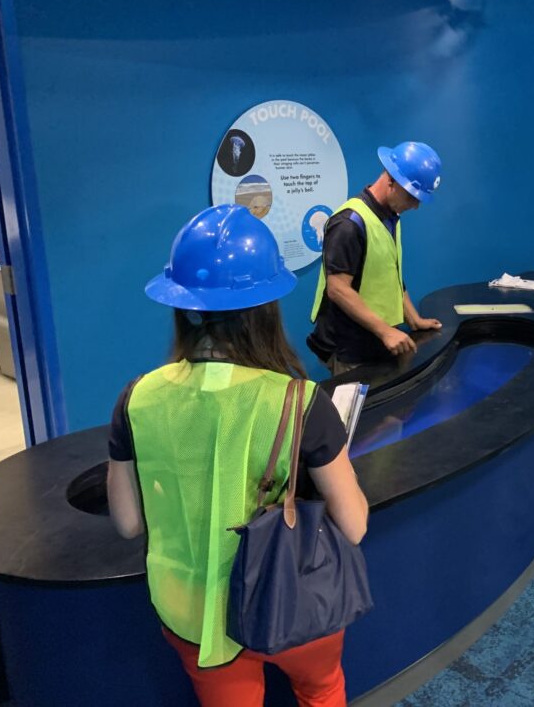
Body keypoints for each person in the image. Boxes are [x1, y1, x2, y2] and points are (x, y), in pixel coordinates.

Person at [107, 204, 368, 707]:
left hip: (191, 611)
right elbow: (353, 525)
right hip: (293, 601)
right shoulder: (300, 401)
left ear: (181, 306)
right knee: (321, 690)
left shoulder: (135, 398)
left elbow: (127, 524)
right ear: (265, 305)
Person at [308, 142, 443, 374]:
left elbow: (391, 274)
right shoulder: (349, 224)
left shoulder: (390, 217)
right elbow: (337, 289)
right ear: (391, 181)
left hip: (377, 342)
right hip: (351, 349)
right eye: (412, 196)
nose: (416, 205)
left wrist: (413, 317)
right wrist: (385, 330)